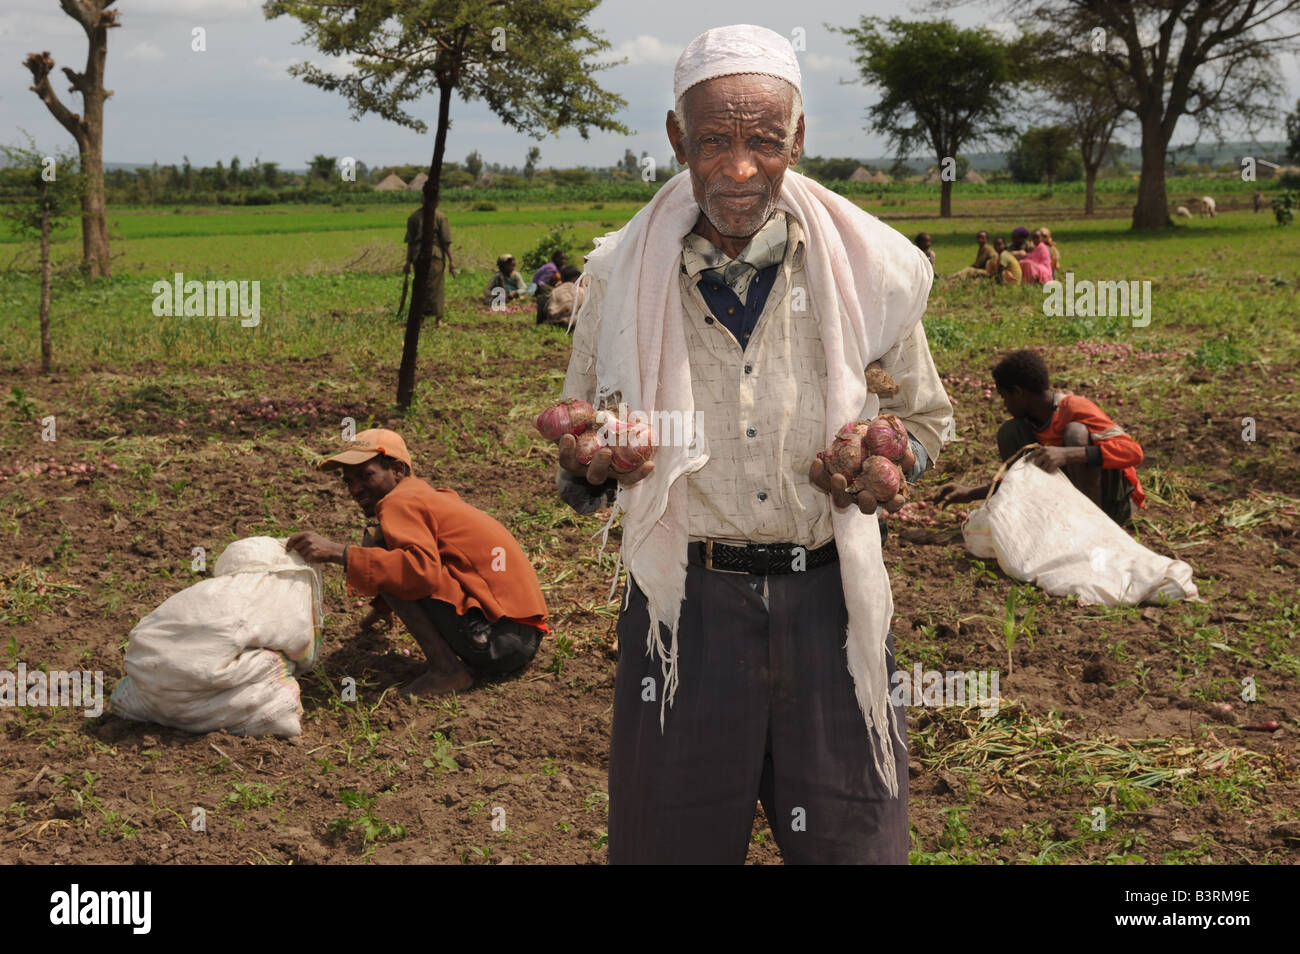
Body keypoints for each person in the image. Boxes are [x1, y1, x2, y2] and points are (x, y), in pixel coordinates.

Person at [552, 24, 952, 865]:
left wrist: (887, 465)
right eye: (714, 142)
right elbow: (582, 442)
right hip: (685, 618)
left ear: (798, 140)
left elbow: (924, 424)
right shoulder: (621, 277)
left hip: (832, 606)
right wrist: (591, 467)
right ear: (676, 140)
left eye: (766, 143)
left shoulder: (867, 272)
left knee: (858, 848)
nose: (740, 169)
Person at [286, 429, 549, 696]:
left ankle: (447, 671)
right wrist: (383, 607)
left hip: (500, 640)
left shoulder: (398, 502)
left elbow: (419, 570)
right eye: (349, 481)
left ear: (397, 470)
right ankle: (450, 665)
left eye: (366, 476)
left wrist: (338, 552)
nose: (355, 489)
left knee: (377, 548)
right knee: (381, 549)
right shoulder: (425, 496)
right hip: (518, 638)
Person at [935, 350, 1145, 526]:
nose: (1004, 405)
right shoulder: (1028, 426)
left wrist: (1068, 454)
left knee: (1076, 433)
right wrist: (969, 494)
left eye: (1004, 396)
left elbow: (1133, 452)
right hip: (1068, 508)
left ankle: (1093, 527)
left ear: (1018, 392)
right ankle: (1056, 522)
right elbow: (1019, 482)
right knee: (1010, 432)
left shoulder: (1073, 408)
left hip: (1115, 503)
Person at [404, 203, 457, 328]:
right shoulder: (440, 217)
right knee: (436, 287)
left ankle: (421, 318)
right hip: (435, 256)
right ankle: (438, 319)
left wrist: (407, 262)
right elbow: (445, 243)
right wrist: (452, 261)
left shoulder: (414, 217)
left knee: (421, 285)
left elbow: (410, 243)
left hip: (418, 256)